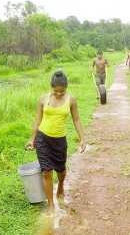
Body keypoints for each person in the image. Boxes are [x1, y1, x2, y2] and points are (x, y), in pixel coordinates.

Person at [25, 70, 86, 214]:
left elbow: (76, 119)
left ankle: (60, 185)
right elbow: (38, 119)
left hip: (59, 141)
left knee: (61, 170)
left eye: (62, 91)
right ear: (51, 87)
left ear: (66, 88)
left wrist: (82, 138)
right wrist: (32, 139)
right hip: (43, 138)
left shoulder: (71, 99)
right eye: (55, 91)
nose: (58, 94)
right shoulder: (43, 99)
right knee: (46, 171)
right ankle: (51, 204)